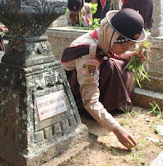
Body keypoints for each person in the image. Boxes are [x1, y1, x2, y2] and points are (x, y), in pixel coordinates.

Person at [61, 8, 147, 149]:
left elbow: (113, 52)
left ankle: (110, 103)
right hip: (77, 90)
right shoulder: (89, 56)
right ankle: (91, 112)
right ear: (112, 37)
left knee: (121, 63)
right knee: (110, 66)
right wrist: (116, 129)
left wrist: (130, 55)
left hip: (90, 77)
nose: (127, 49)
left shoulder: (104, 37)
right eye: (124, 45)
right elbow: (90, 101)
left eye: (131, 46)